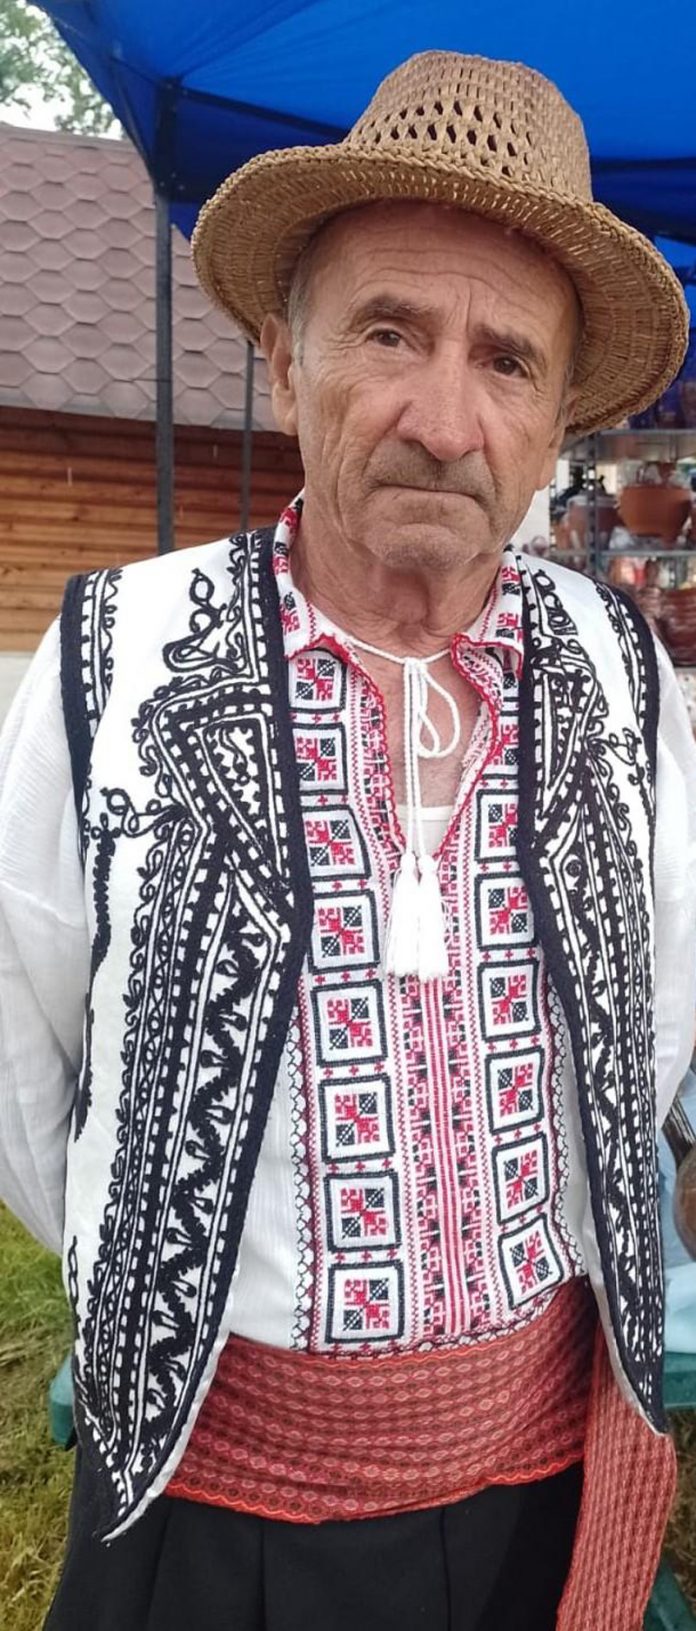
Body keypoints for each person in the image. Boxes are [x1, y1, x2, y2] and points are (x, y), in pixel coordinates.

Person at [1, 49, 695, 1631]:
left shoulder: (617, 670)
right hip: (205, 1497)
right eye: (390, 333)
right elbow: (26, 1074)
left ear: (556, 417)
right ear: (282, 355)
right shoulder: (117, 656)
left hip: (534, 1490)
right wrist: (188, 1276)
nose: (444, 421)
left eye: (508, 361)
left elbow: (659, 1014)